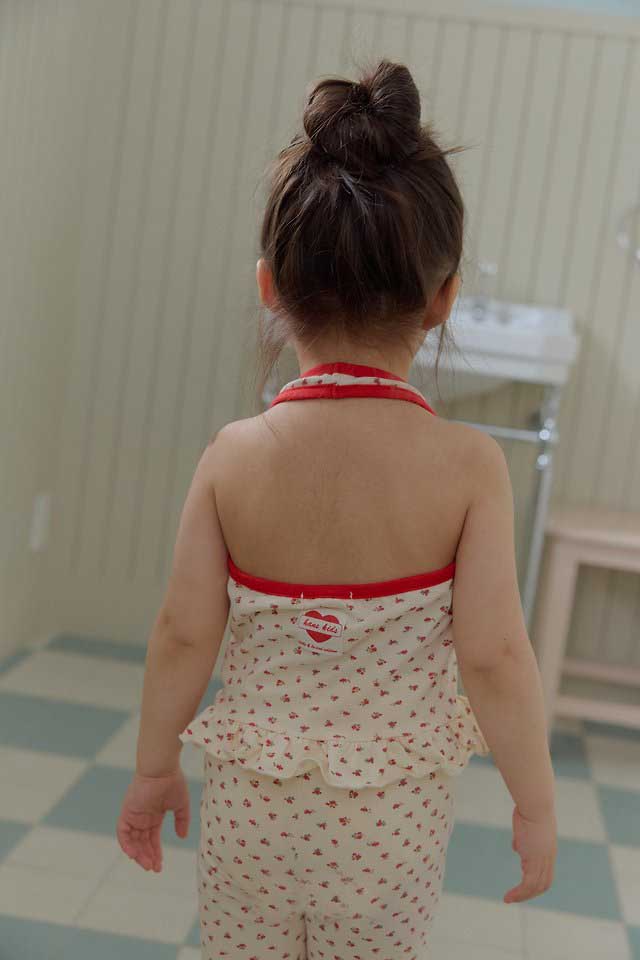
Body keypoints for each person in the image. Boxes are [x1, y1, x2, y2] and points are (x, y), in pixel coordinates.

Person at [117, 59, 557, 959]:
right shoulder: (470, 467)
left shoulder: (232, 456)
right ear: (443, 299)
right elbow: (495, 656)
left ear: (269, 287)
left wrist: (154, 766)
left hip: (251, 813)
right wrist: (536, 802)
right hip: (387, 827)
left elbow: (183, 634)